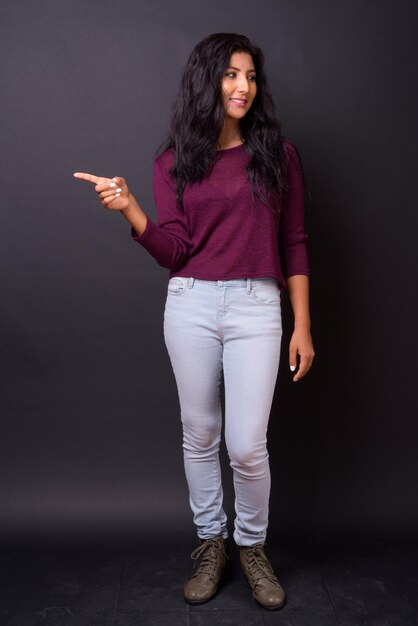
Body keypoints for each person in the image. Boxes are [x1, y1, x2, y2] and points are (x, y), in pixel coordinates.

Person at [74, 32, 314, 611]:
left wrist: (302, 324)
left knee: (247, 445)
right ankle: (212, 542)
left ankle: (251, 545)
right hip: (192, 304)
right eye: (231, 74)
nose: (243, 87)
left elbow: (295, 242)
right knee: (201, 434)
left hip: (258, 305)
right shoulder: (173, 162)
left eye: (251, 76)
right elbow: (176, 251)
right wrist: (131, 209)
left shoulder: (278, 155)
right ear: (207, 80)